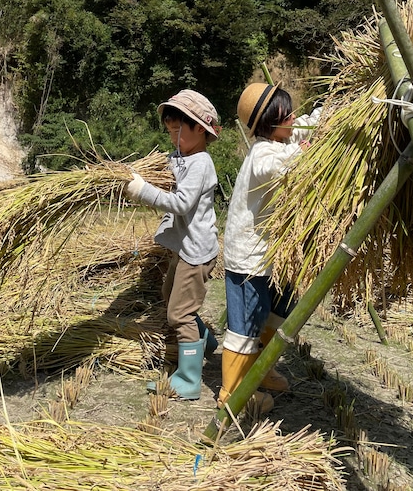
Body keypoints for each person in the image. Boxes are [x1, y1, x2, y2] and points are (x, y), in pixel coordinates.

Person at [219, 82, 321, 411]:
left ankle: (259, 372)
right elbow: (273, 167)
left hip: (270, 254)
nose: (292, 118)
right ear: (267, 124)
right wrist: (300, 154)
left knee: (272, 310)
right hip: (247, 257)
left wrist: (328, 115)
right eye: (284, 115)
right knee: (246, 321)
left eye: (291, 111)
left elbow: (308, 123)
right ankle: (232, 394)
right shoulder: (262, 152)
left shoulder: (284, 137)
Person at [126, 89, 220, 400]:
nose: (174, 139)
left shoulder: (201, 163)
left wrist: (141, 190)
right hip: (185, 249)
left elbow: (180, 203)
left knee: (179, 314)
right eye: (170, 132)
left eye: (179, 131)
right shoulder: (183, 158)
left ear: (200, 129)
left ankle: (189, 379)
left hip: (197, 252)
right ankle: (205, 342)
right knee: (171, 297)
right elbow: (167, 175)